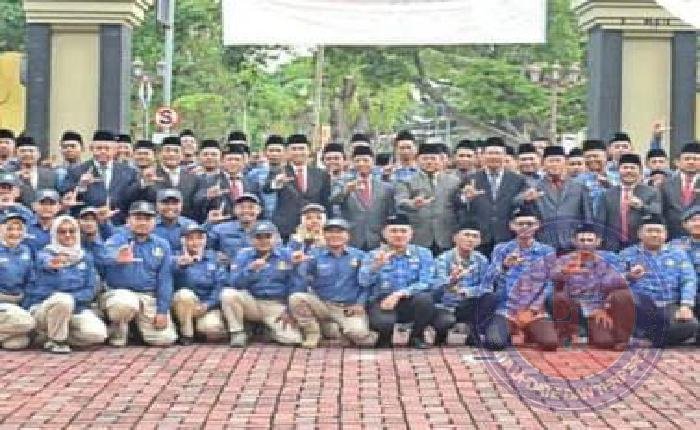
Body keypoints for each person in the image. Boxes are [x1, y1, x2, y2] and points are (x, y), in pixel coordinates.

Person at [25, 215, 107, 353]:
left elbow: (89, 290)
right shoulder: (43, 255)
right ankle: (57, 342)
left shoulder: (85, 257)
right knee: (62, 300)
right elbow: (36, 287)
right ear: (54, 234)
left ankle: (47, 336)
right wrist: (51, 265)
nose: (68, 235)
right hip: (44, 309)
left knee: (97, 335)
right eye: (62, 232)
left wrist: (71, 300)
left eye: (71, 231)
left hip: (75, 309)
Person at [290, 218, 377, 348]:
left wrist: (360, 304)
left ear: (348, 235)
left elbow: (367, 284)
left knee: (362, 338)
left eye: (339, 232)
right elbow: (302, 278)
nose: (334, 235)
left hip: (348, 307)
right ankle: (312, 333)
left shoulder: (360, 256)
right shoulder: (314, 255)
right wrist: (298, 265)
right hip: (323, 305)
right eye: (330, 232)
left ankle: (333, 331)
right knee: (296, 298)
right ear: (324, 235)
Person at [100, 201, 177, 347]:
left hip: (147, 296)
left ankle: (136, 329)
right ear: (128, 221)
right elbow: (103, 257)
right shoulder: (117, 239)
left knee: (165, 339)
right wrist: (116, 259)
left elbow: (165, 280)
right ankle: (118, 330)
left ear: (154, 222)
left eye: (147, 219)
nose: (142, 222)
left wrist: (162, 311)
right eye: (138, 218)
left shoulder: (162, 245)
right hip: (120, 294)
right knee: (124, 304)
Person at [481, 206, 559, 351]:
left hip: (534, 311)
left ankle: (530, 330)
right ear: (512, 226)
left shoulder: (547, 251)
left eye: (529, 224)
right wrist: (504, 266)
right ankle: (506, 330)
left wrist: (532, 310)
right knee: (495, 343)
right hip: (506, 309)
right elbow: (488, 281)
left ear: (537, 225)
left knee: (550, 343)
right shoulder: (501, 249)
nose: (525, 227)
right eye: (520, 224)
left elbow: (549, 284)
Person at [619, 215, 698, 347]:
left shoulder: (678, 254)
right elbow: (612, 281)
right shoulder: (626, 254)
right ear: (640, 234)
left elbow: (688, 280)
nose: (654, 235)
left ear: (666, 234)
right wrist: (629, 276)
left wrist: (686, 305)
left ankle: (647, 340)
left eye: (658, 231)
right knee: (623, 297)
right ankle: (652, 337)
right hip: (641, 307)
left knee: (690, 325)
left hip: (668, 305)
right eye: (649, 231)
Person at [360, 214, 437, 349]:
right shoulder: (373, 255)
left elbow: (427, 281)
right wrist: (376, 266)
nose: (399, 235)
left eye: (403, 231)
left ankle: (416, 336)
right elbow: (363, 282)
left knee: (425, 300)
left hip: (410, 299)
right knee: (383, 323)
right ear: (384, 233)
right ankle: (385, 337)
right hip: (382, 301)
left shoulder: (423, 253)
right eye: (393, 231)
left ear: (411, 233)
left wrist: (400, 294)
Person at [550, 224, 632, 349]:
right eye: (582, 240)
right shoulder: (565, 259)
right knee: (559, 297)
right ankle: (565, 335)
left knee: (604, 342)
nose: (586, 244)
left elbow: (619, 279)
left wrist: (602, 305)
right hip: (575, 306)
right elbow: (552, 275)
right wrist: (564, 272)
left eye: (590, 240)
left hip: (600, 306)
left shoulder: (610, 258)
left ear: (598, 242)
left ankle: (615, 337)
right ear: (574, 241)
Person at [222, 221, 303, 347]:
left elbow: (296, 283)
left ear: (276, 238)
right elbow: (233, 283)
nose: (263, 241)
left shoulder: (286, 254)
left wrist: (289, 310)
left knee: (293, 339)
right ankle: (237, 332)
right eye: (258, 237)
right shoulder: (244, 255)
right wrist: (250, 270)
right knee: (228, 294)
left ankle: (265, 329)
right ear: (251, 239)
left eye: (268, 236)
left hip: (276, 304)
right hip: (252, 302)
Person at [457, 136, 527, 257]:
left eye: (497, 153)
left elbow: (521, 206)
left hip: (507, 236)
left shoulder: (517, 180)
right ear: (482, 156)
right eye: (490, 153)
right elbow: (457, 204)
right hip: (479, 238)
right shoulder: (471, 178)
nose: (494, 156)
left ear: (505, 156)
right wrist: (465, 198)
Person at [517, 145, 591, 252]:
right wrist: (525, 199)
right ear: (543, 164)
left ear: (565, 163)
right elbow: (515, 204)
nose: (555, 164)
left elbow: (587, 217)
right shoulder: (532, 186)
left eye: (558, 161)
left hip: (572, 243)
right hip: (543, 243)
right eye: (551, 161)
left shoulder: (579, 187)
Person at [432, 220, 493, 346]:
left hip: (468, 303)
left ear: (479, 241)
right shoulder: (443, 259)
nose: (470, 239)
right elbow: (435, 286)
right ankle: (441, 333)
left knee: (490, 298)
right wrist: (451, 281)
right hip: (446, 305)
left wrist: (467, 292)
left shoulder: (481, 260)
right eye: (466, 235)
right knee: (445, 321)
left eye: (475, 236)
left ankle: (473, 333)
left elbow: (487, 286)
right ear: (455, 238)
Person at [62, 130, 139, 224]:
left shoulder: (129, 172)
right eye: (99, 148)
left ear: (115, 150)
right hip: (88, 224)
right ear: (91, 148)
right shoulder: (77, 171)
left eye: (107, 148)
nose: (103, 151)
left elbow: (133, 198)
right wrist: (81, 186)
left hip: (119, 224)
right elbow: (66, 197)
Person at [395, 143, 461, 255]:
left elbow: (459, 204)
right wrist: (413, 203)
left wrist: (464, 198)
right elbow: (400, 201)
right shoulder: (406, 181)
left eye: (433, 158)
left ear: (441, 160)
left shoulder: (454, 181)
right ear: (417, 160)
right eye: (425, 159)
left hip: (446, 235)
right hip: (419, 236)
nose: (429, 162)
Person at [263, 134, 330, 240]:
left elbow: (326, 202)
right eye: (294, 149)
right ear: (287, 152)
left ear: (309, 151)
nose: (298, 152)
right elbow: (266, 189)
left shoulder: (321, 174)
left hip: (315, 227)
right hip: (286, 228)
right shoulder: (279, 171)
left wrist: (327, 225)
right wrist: (276, 183)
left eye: (301, 149)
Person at [171, 224, 228, 345]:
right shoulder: (174, 258)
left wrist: (208, 304)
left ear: (205, 240)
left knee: (213, 330)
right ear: (182, 241)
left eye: (199, 238)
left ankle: (197, 328)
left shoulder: (215, 257)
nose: (195, 242)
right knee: (184, 295)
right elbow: (169, 282)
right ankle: (187, 334)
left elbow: (220, 285)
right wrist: (180, 267)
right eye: (190, 238)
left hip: (206, 305)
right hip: (182, 306)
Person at [330, 145, 395, 251]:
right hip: (351, 238)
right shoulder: (342, 182)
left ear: (373, 162)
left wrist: (387, 238)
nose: (361, 164)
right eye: (358, 161)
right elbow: (333, 200)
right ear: (352, 162)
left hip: (377, 239)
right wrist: (346, 190)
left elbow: (390, 213)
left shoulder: (385, 187)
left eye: (365, 160)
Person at [597, 153, 662, 251]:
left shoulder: (651, 192)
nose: (628, 171)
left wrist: (641, 206)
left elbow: (657, 213)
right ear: (618, 170)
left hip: (640, 245)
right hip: (612, 245)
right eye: (625, 167)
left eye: (632, 168)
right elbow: (600, 221)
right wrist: (599, 240)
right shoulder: (607, 194)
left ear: (640, 171)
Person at [0, 212, 36, 350]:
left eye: (19, 229)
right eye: (10, 229)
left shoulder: (26, 250)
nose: (14, 233)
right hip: (2, 301)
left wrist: (26, 302)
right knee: (28, 322)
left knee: (18, 343)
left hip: (19, 302)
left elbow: (31, 279)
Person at [206, 193, 261, 264]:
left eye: (251, 207)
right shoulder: (220, 229)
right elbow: (204, 248)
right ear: (235, 210)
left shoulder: (268, 230)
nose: (246, 210)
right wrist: (215, 256)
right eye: (242, 207)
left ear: (259, 210)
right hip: (228, 269)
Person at [661, 142, 700, 239]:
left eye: (695, 159)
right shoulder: (665, 184)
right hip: (672, 238)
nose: (691, 162)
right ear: (678, 162)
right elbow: (661, 212)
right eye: (687, 159)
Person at [14, 136, 59, 207]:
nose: (27, 154)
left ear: (39, 154)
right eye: (23, 151)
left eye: (31, 151)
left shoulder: (52, 174)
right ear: (16, 154)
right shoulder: (11, 176)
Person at [24, 189, 62, 254]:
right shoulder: (24, 225)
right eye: (42, 203)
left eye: (51, 204)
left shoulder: (64, 227)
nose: (47, 207)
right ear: (33, 206)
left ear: (59, 207)